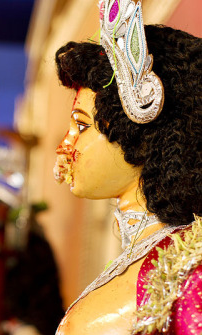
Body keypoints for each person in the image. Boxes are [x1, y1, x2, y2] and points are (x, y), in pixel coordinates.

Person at [52, 1, 201, 334]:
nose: (65, 144)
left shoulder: (190, 274)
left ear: (141, 133)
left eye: (81, 125)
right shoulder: (157, 260)